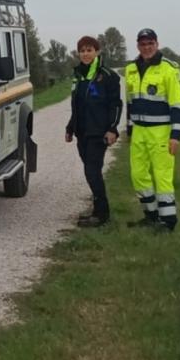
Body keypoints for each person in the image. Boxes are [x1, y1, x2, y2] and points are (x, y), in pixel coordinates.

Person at [123, 27, 180, 231]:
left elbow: (177, 104)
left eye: (150, 43)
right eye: (143, 44)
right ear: (138, 46)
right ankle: (150, 216)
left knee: (162, 176)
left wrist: (176, 135)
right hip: (139, 130)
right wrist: (130, 129)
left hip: (161, 131)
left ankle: (168, 222)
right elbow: (130, 104)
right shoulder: (131, 69)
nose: (147, 47)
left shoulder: (169, 68)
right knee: (138, 175)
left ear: (157, 44)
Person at [64, 35, 121, 227]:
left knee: (92, 171)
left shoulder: (108, 75)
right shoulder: (78, 75)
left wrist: (112, 129)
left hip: (99, 132)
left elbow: (116, 105)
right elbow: (77, 105)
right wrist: (70, 127)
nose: (85, 54)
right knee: (90, 171)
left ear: (97, 52)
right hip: (83, 132)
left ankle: (101, 214)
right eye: (82, 50)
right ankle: (98, 209)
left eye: (89, 50)